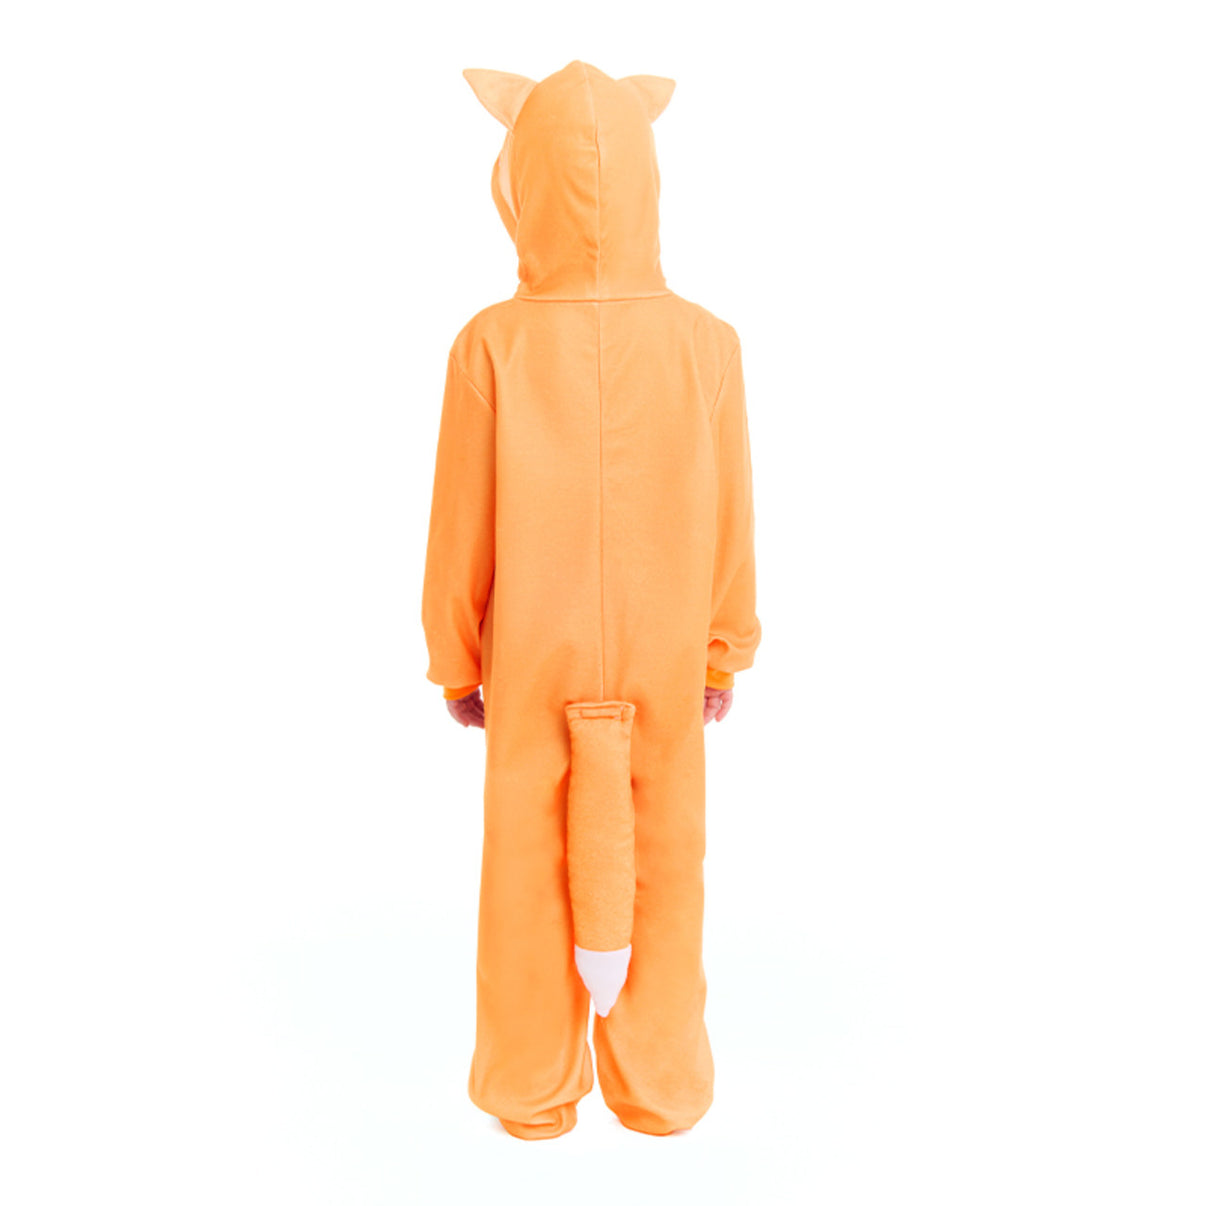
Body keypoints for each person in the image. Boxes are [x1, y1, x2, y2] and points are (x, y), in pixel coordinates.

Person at [421, 60, 761, 1139]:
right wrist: (721, 649)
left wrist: (456, 658)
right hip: (664, 652)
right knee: (663, 857)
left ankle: (528, 1089)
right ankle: (662, 1089)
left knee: (527, 867)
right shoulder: (707, 344)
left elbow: (460, 519)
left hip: (531, 655)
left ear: (522, 181)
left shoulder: (492, 343)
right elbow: (732, 511)